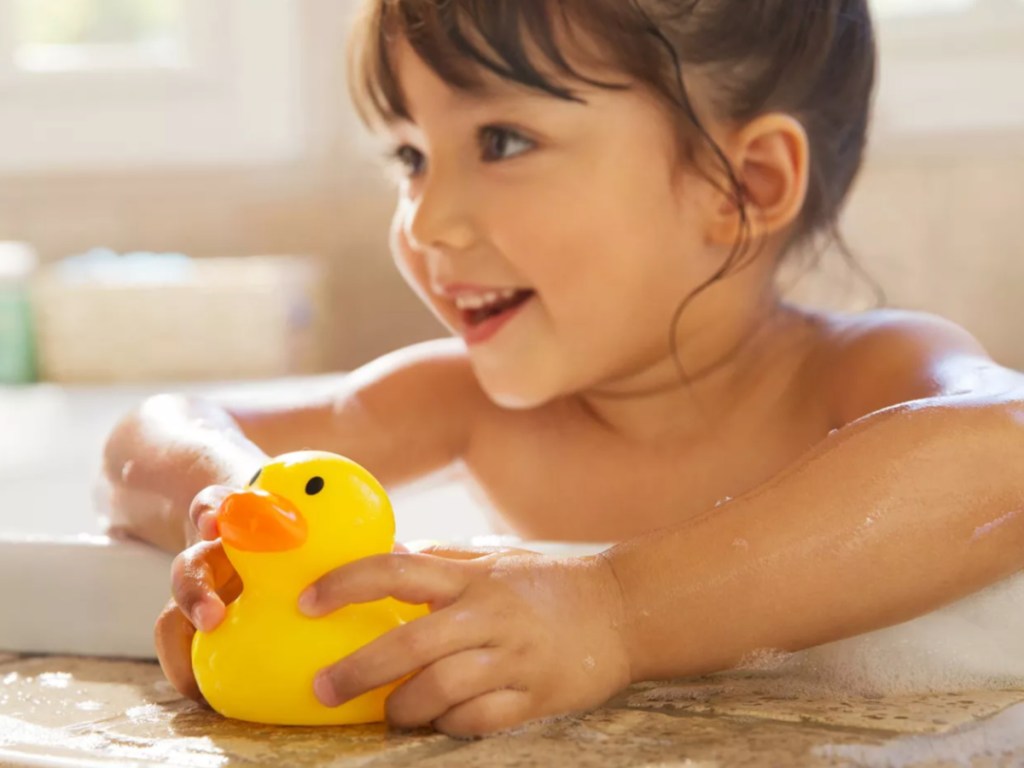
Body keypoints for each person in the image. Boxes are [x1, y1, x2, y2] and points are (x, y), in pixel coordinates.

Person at [99, 0, 1024, 738]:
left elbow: (1006, 448)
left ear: (742, 185)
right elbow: (158, 426)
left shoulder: (853, 376)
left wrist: (614, 612)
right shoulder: (465, 403)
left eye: (502, 142)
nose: (424, 223)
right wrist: (236, 513)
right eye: (413, 156)